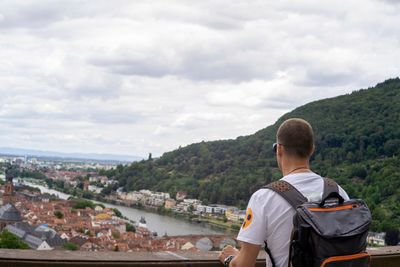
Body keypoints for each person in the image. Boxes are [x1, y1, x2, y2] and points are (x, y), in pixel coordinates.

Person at [219, 118, 349, 267]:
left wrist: (231, 259)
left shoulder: (264, 198)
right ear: (312, 149)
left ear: (279, 149)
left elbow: (244, 264)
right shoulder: (338, 191)